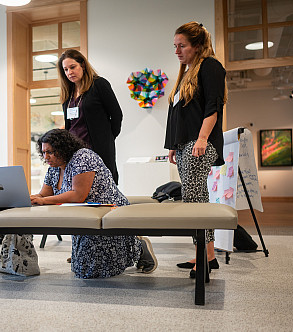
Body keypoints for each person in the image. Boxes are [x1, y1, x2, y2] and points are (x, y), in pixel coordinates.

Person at [30, 129, 157, 279]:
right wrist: (32, 198)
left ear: (63, 147)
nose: (46, 157)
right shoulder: (54, 169)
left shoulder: (83, 156)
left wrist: (43, 201)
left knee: (91, 272)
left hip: (108, 211)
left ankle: (138, 247)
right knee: (81, 268)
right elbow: (45, 194)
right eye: (43, 153)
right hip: (83, 216)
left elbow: (78, 195)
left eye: (50, 152)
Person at [164, 21, 227, 278]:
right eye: (175, 46)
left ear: (197, 46)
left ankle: (205, 255)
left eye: (182, 46)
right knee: (193, 197)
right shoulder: (185, 73)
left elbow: (214, 106)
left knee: (195, 197)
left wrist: (202, 138)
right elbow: (178, 115)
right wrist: (173, 145)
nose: (177, 51)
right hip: (185, 144)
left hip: (201, 143)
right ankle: (207, 254)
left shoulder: (210, 66)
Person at [57, 49, 123, 184]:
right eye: (65, 69)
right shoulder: (67, 94)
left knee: (102, 184)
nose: (69, 72)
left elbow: (116, 114)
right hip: (74, 151)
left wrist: (108, 138)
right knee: (78, 188)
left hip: (97, 148)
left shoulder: (99, 84)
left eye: (73, 67)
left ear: (82, 65)